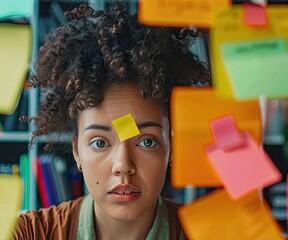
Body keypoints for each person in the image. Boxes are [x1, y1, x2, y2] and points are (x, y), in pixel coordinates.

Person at [13, 3, 210, 240]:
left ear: (171, 147)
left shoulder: (211, 234)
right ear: (76, 150)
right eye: (99, 142)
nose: (123, 165)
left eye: (147, 142)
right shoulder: (29, 234)